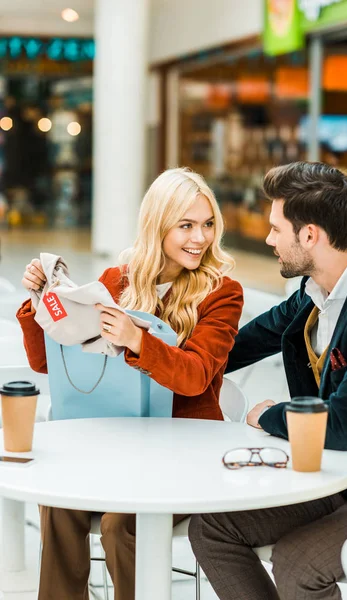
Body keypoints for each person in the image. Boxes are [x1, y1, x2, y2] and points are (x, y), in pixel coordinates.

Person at [17, 167, 243, 600]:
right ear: (157, 225)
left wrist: (137, 339)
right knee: (58, 501)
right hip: (116, 445)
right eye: (187, 225)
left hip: (185, 453)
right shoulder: (115, 282)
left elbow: (195, 376)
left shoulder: (222, 293)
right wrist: (38, 303)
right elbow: (50, 363)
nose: (201, 238)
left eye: (208, 223)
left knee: (120, 523)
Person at [189, 161, 347, 600]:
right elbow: (233, 348)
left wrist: (270, 415)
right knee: (211, 528)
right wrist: (154, 349)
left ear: (309, 236)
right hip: (329, 477)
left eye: (275, 229)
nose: (268, 240)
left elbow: (340, 427)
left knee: (297, 561)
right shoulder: (313, 293)